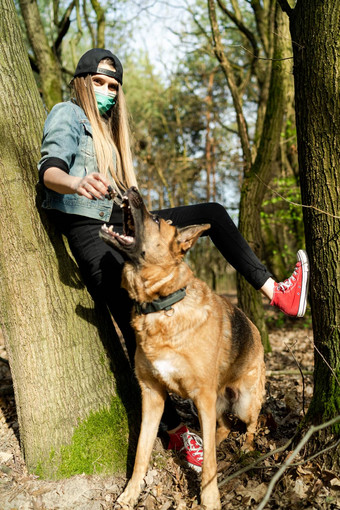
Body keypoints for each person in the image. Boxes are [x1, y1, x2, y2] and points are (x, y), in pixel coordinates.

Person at [38, 48, 309, 472]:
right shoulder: (68, 114)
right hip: (89, 230)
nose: (106, 91)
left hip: (123, 223)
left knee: (215, 213)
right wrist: (75, 181)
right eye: (99, 82)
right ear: (82, 82)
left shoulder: (112, 131)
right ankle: (177, 433)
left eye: (113, 85)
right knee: (137, 325)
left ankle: (279, 293)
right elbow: (49, 169)